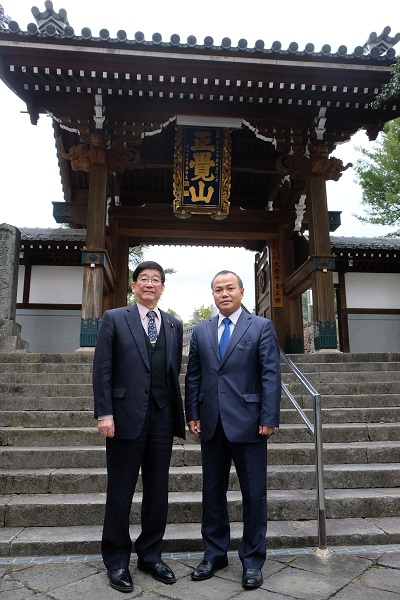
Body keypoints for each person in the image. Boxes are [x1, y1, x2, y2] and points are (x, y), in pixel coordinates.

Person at [185, 270, 281, 590]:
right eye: (218, 289)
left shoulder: (261, 327)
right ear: (212, 295)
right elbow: (194, 375)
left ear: (241, 291)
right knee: (212, 493)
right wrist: (192, 412)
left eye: (229, 288)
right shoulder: (202, 330)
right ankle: (214, 554)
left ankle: (252, 560)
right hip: (211, 423)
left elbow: (270, 374)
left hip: (251, 423)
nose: (224, 293)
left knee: (254, 495)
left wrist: (269, 415)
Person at [93, 261, 185, 593]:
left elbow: (172, 372)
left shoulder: (174, 324)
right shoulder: (114, 318)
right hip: (124, 416)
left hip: (162, 417)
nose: (149, 284)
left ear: (163, 287)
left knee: (158, 491)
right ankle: (117, 560)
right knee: (120, 491)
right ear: (133, 286)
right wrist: (105, 413)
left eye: (156, 280)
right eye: (143, 279)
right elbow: (103, 368)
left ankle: (150, 555)